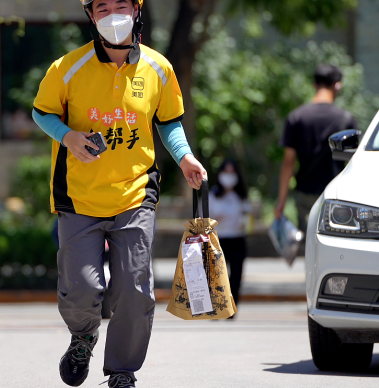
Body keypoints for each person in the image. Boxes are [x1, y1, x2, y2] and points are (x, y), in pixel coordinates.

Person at [32, 1, 207, 387]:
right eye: (103, 7)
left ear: (136, 10)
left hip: (136, 195)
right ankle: (83, 337)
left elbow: (169, 121)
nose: (114, 14)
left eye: (121, 5)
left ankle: (123, 371)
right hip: (79, 198)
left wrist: (185, 157)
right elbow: (41, 113)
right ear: (91, 16)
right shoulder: (66, 68)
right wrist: (68, 137)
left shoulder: (159, 68)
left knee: (134, 288)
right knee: (80, 290)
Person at [275, 64, 358, 234]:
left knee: (310, 246)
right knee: (335, 243)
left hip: (305, 193)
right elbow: (353, 163)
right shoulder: (346, 119)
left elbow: (288, 163)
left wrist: (281, 200)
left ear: (314, 85)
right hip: (336, 193)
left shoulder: (296, 117)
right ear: (338, 85)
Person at [209, 159, 250, 306]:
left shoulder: (241, 196)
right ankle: (217, 306)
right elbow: (204, 219)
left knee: (236, 276)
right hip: (218, 240)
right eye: (226, 172)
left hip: (237, 240)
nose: (229, 176)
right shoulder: (213, 195)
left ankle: (231, 307)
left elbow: (248, 215)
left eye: (232, 172)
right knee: (217, 275)